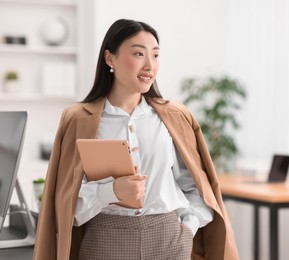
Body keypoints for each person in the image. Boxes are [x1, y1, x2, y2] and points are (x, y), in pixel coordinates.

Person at [33, 19, 239, 260]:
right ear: (110, 59)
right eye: (139, 54)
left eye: (155, 55)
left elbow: (197, 187)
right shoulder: (79, 119)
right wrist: (110, 191)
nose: (149, 65)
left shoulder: (175, 116)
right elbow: (67, 204)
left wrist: (188, 228)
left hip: (169, 240)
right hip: (104, 242)